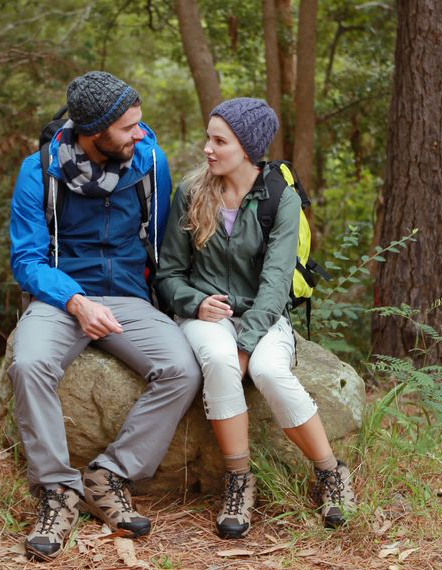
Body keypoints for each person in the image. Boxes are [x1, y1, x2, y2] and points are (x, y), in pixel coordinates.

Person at [8, 71, 202, 561]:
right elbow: (27, 260)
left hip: (128, 298)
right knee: (30, 364)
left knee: (182, 369)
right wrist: (74, 300)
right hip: (60, 297)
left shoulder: (150, 163)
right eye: (129, 128)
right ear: (94, 133)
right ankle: (57, 491)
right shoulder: (40, 171)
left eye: (140, 124)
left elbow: (161, 245)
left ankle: (108, 475)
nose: (141, 134)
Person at [156, 98, 357, 539]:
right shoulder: (190, 194)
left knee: (267, 368)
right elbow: (168, 273)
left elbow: (276, 282)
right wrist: (194, 302)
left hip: (264, 315)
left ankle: (331, 474)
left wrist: (247, 341)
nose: (208, 148)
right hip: (206, 315)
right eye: (208, 138)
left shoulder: (280, 199)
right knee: (220, 361)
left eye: (219, 140)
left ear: (246, 147)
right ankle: (238, 482)